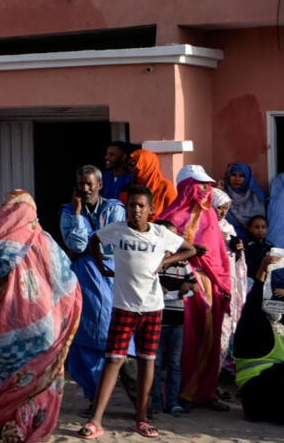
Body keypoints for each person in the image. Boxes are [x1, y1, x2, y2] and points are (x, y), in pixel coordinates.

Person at [79, 184, 195, 440]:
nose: (136, 210)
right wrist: (101, 266)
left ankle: (141, 419)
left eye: (141, 206)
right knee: (113, 360)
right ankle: (96, 420)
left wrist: (165, 261)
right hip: (124, 307)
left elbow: (190, 249)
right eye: (132, 205)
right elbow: (94, 240)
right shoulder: (117, 230)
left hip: (153, 308)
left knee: (147, 361)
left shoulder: (161, 234)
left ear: (151, 210)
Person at [0, 190, 80, 443]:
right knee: (41, 380)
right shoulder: (43, 239)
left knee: (3, 380)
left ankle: (9, 422)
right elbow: (67, 282)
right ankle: (25, 425)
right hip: (40, 328)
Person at [158, 166, 231, 411]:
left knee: (210, 339)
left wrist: (224, 284)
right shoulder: (170, 217)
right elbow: (162, 253)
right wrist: (189, 252)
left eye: (206, 185)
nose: (204, 189)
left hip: (210, 286)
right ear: (187, 186)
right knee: (186, 340)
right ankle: (181, 394)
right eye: (199, 184)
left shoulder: (211, 216)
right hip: (182, 286)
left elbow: (219, 254)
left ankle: (206, 392)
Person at [61, 165, 127, 409]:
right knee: (83, 335)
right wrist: (79, 215)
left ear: (100, 185)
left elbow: (110, 244)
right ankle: (93, 397)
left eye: (90, 184)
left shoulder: (114, 209)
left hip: (109, 279)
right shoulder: (69, 211)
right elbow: (76, 245)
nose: (85, 189)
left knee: (109, 333)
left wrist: (89, 244)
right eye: (81, 184)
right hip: (82, 281)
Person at [231, 253, 284, 427]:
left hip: (275, 398)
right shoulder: (252, 329)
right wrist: (262, 272)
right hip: (258, 398)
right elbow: (253, 304)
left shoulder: (281, 331)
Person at [151, 220, 196, 417]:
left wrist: (188, 286)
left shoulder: (183, 263)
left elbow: (194, 285)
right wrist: (155, 286)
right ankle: (155, 401)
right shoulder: (152, 261)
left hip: (177, 321)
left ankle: (173, 402)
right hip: (157, 320)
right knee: (156, 362)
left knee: (174, 363)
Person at [212, 189, 247, 376]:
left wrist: (238, 249)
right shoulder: (205, 227)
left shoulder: (228, 227)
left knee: (225, 329)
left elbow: (236, 259)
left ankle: (218, 372)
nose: (223, 213)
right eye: (219, 208)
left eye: (226, 208)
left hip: (229, 284)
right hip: (213, 284)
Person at [123, 150, 176, 220]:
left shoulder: (165, 186)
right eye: (128, 165)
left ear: (146, 164)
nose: (130, 168)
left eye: (133, 164)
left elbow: (173, 214)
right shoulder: (130, 187)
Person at [222, 161, 267, 241]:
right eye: (233, 175)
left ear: (247, 178)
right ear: (228, 176)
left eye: (241, 176)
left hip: (255, 243)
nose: (237, 179)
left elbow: (261, 221)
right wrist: (218, 190)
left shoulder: (256, 195)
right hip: (230, 241)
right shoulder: (221, 196)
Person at [243, 215, 273, 283]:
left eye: (263, 227)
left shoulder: (270, 246)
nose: (260, 230)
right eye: (257, 227)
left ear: (267, 229)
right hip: (253, 281)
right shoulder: (247, 247)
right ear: (250, 229)